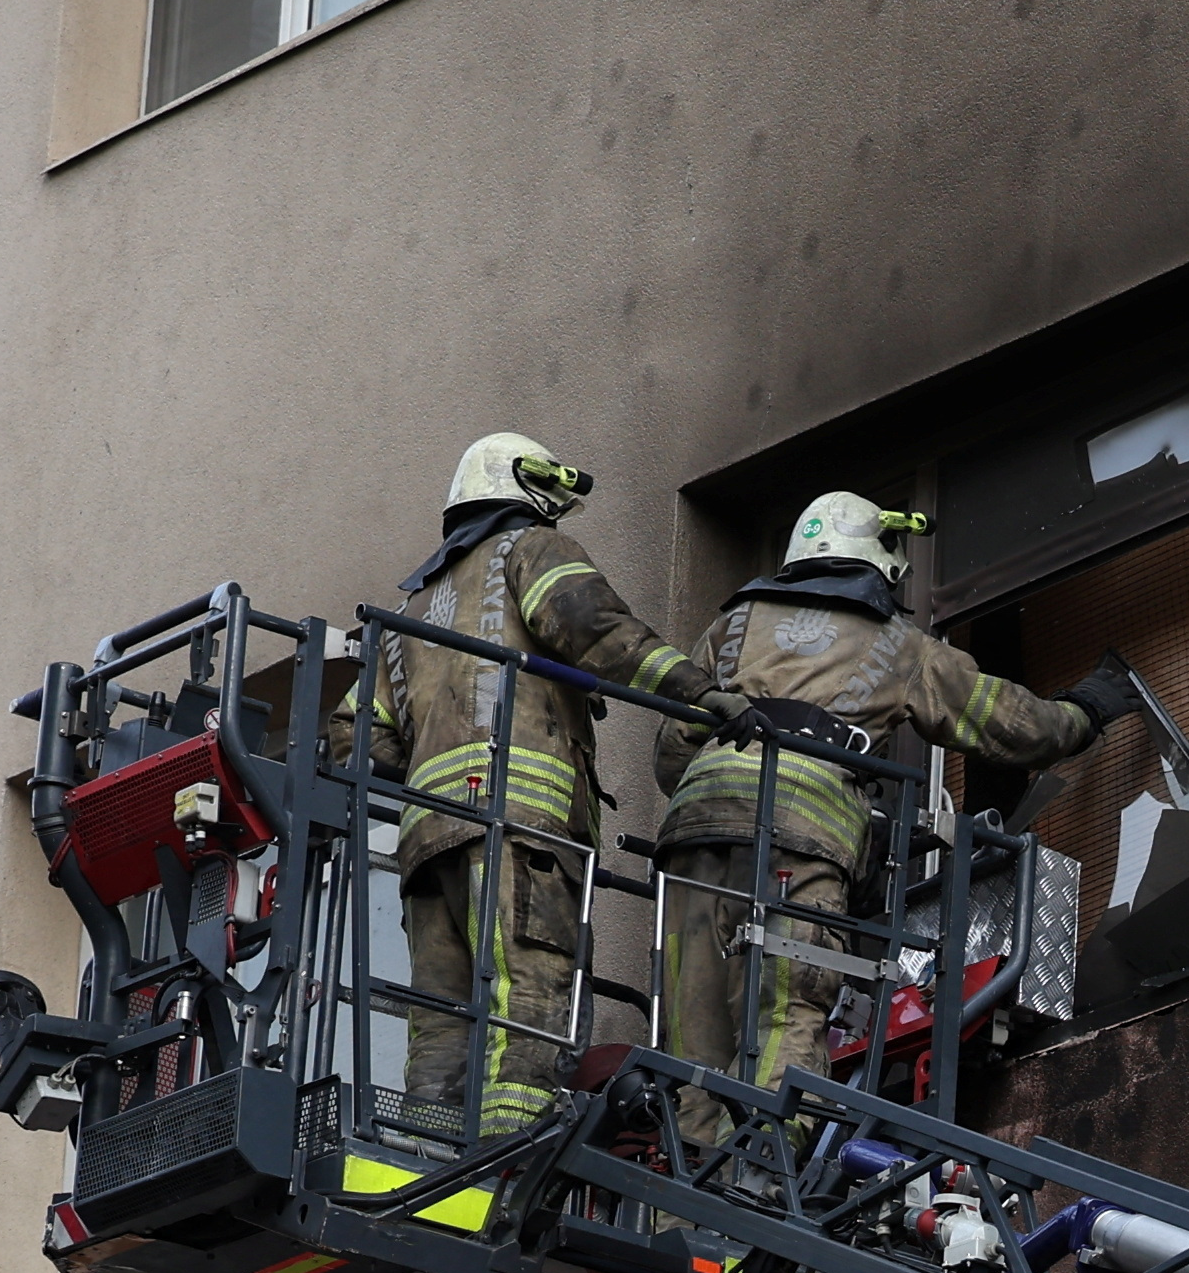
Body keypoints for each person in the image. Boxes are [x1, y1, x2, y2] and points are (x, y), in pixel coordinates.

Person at [644, 490, 1144, 1136]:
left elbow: (670, 754)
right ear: (877, 564)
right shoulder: (895, 643)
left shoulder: (731, 624)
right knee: (784, 1013)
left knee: (694, 1030)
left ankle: (682, 1208)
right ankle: (761, 1178)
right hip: (800, 841)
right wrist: (1084, 711)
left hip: (692, 835)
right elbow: (1007, 722)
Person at [365, 433, 686, 1141]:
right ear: (522, 487)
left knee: (443, 1029)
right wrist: (696, 691)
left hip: (429, 845)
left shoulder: (408, 614)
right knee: (530, 1004)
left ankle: (428, 1157)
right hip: (520, 826)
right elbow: (597, 629)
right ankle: (507, 1166)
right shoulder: (529, 549)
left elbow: (359, 739)